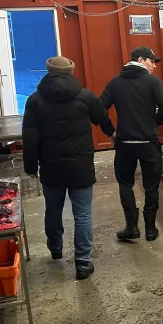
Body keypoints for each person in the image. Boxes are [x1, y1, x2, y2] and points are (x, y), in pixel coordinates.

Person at [22, 56, 114, 280]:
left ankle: (55, 248)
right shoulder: (85, 96)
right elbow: (102, 117)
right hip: (80, 167)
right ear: (71, 72)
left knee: (53, 210)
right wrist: (112, 134)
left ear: (48, 71)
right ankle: (83, 262)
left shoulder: (35, 100)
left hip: (51, 167)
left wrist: (31, 166)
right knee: (82, 214)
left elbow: (30, 137)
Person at [100, 46, 163, 242]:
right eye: (151, 61)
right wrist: (153, 123)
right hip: (148, 142)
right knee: (151, 185)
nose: (154, 66)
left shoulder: (115, 83)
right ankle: (150, 229)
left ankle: (131, 227)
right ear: (141, 60)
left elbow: (99, 109)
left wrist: (110, 131)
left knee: (125, 183)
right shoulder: (152, 82)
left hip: (125, 144)